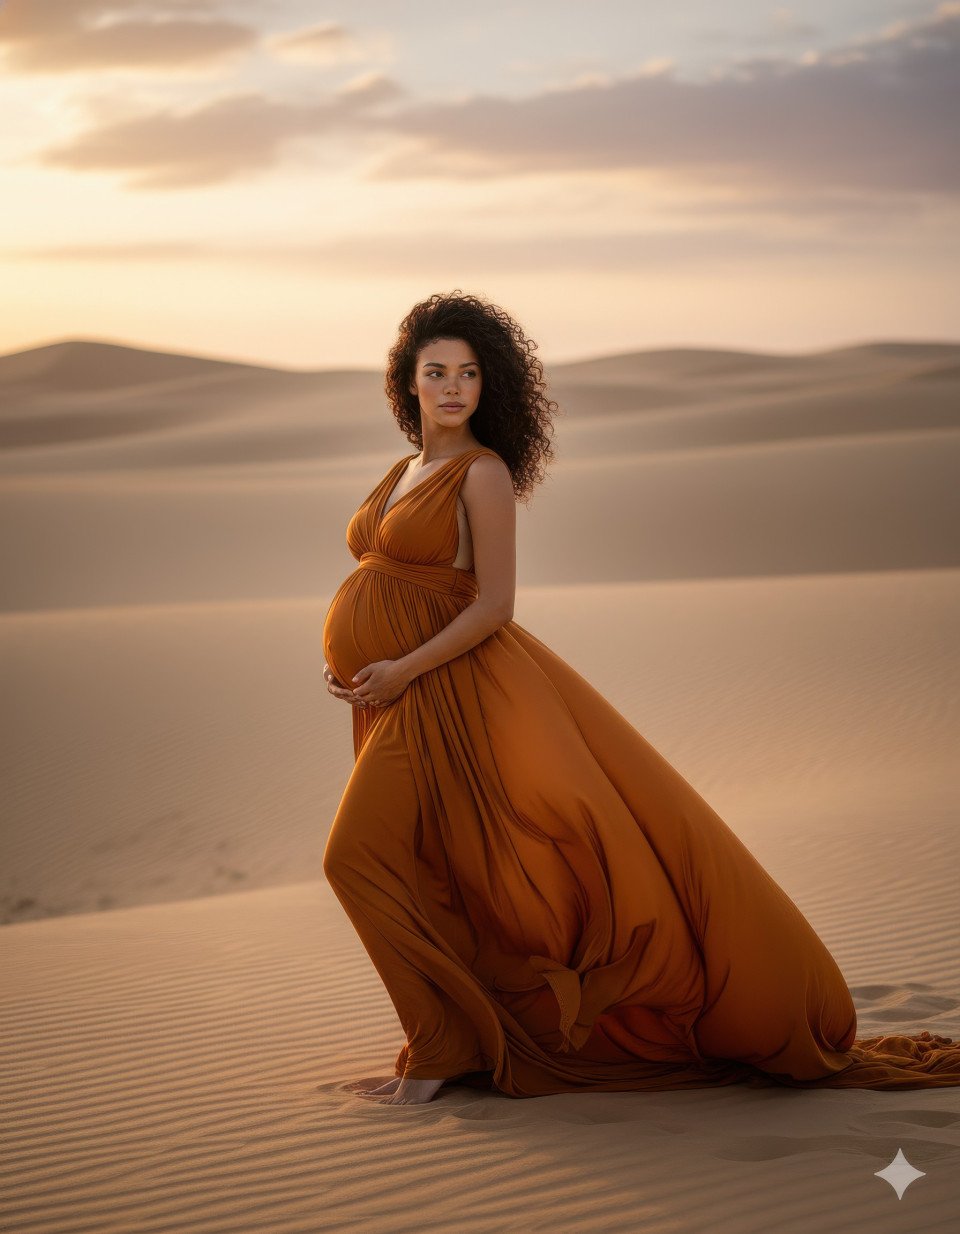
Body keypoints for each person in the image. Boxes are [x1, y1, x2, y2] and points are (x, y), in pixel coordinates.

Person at [321, 290, 960, 1106]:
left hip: (446, 695)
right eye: (435, 371)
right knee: (424, 866)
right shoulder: (404, 469)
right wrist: (352, 666)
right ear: (406, 382)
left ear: (491, 387)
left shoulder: (482, 474)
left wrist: (403, 667)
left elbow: (495, 606)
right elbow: (380, 579)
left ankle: (442, 1045)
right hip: (390, 694)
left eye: (469, 373)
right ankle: (452, 1034)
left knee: (354, 859)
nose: (452, 387)